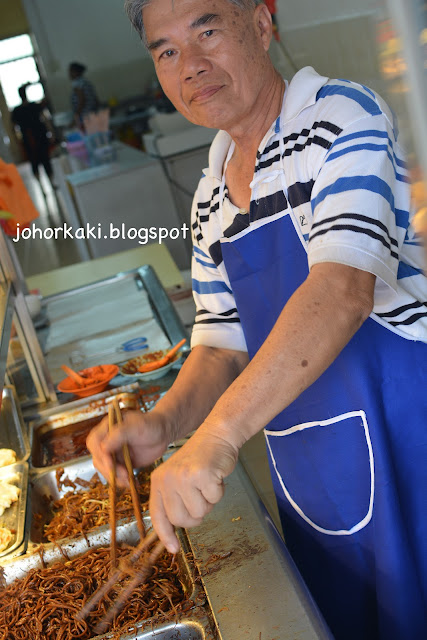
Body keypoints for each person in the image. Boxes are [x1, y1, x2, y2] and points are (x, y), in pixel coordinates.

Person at [87, 2, 427, 639]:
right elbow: (221, 344)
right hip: (313, 479)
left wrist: (215, 440)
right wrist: (164, 426)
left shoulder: (342, 116)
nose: (191, 65)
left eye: (207, 29)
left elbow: (343, 286)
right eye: (166, 51)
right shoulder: (210, 194)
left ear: (262, 24)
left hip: (411, 452)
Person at [11, 84, 54, 184]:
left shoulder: (18, 110)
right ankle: (50, 182)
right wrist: (51, 132)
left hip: (30, 138)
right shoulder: (33, 106)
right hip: (37, 137)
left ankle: (41, 183)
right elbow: (45, 119)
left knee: (35, 161)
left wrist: (18, 140)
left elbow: (14, 127)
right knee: (44, 159)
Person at [68, 62, 99, 129]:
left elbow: (82, 101)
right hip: (92, 114)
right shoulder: (86, 82)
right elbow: (96, 100)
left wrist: (75, 118)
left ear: (75, 72)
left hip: (85, 117)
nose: (69, 74)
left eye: (70, 71)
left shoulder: (77, 83)